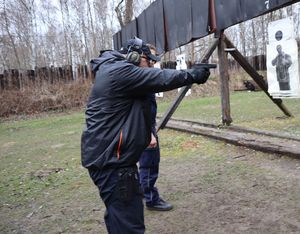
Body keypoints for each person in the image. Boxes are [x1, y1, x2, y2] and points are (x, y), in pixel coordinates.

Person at [81, 36, 211, 234]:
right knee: (129, 224)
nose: (151, 65)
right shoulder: (120, 71)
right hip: (114, 165)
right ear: (133, 57)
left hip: (109, 161)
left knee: (118, 217)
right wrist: (192, 74)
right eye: (148, 60)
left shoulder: (113, 69)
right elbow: (161, 79)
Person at [138, 44, 173, 211]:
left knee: (146, 165)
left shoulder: (140, 77)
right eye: (149, 58)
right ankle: (151, 199)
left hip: (145, 128)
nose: (152, 63)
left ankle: (141, 194)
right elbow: (140, 111)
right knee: (149, 165)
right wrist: (149, 135)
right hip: (144, 131)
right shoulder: (139, 79)